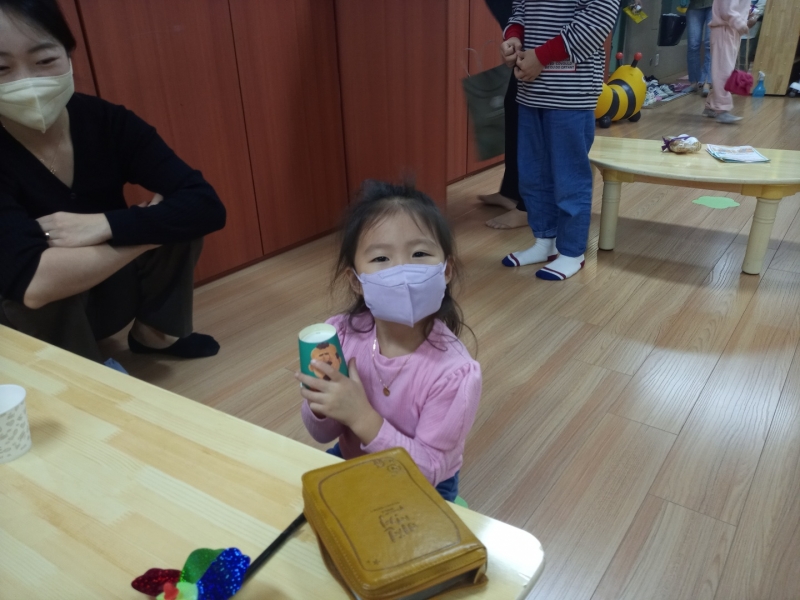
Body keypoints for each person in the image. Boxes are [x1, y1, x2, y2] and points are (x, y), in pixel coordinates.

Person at [0, 0, 226, 368]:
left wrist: (105, 224)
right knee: (42, 278)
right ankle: (82, 377)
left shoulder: (105, 120)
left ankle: (155, 335)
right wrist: (145, 235)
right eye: (1, 68)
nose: (26, 83)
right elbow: (33, 284)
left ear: (68, 54)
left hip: (106, 288)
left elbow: (206, 205)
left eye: (44, 60)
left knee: (179, 217)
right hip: (28, 318)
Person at [296, 181, 481, 502]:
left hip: (423, 481)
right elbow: (321, 433)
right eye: (381, 258)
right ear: (356, 280)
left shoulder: (455, 373)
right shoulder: (340, 336)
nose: (402, 272)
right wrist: (321, 404)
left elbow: (430, 469)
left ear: (446, 270)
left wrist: (361, 416)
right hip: (354, 458)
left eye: (419, 254)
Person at [499, 0, 618, 280]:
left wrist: (542, 56)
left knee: (569, 177)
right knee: (532, 175)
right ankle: (545, 241)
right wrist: (513, 37)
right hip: (530, 91)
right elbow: (520, 10)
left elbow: (597, 21)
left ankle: (572, 252)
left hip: (571, 94)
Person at [703, 0, 751, 123]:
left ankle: (712, 105)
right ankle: (721, 109)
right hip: (725, 29)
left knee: (723, 69)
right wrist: (740, 23)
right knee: (724, 72)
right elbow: (727, 10)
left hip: (730, 29)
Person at [686, 0, 714, 96]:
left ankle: (707, 81)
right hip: (694, 5)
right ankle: (694, 81)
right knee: (693, 44)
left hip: (714, 5)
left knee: (709, 44)